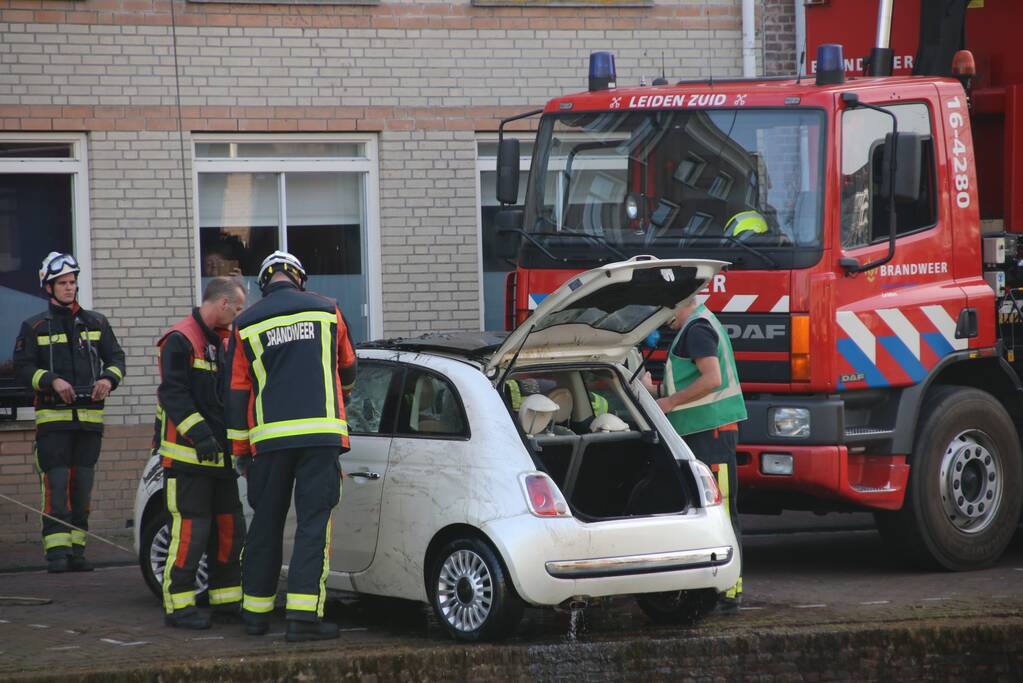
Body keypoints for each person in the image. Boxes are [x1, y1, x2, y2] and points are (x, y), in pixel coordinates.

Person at [226, 251, 357, 643]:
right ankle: (303, 618)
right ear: (299, 278)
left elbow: (236, 391)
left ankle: (255, 615)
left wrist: (240, 449)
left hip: (267, 442)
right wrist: (340, 395)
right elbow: (348, 367)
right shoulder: (327, 310)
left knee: (265, 523)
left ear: (264, 283)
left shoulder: (245, 323)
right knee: (312, 524)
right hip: (320, 437)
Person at [13, 252, 126, 572]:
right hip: (53, 422)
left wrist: (108, 379)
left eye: (73, 282)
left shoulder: (96, 322)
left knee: (82, 486)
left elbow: (117, 359)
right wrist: (51, 381)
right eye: (62, 283)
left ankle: (77, 551)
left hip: (90, 422)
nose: (69, 288)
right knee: (57, 486)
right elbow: (23, 370)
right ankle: (57, 554)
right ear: (48, 287)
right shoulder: (34, 326)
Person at [643, 297, 747, 611]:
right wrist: (657, 391)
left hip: (711, 433)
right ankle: (718, 587)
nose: (663, 322)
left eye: (665, 313)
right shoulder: (697, 326)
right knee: (712, 510)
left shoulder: (696, 329)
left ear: (679, 304)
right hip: (703, 433)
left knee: (722, 511)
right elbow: (690, 382)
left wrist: (670, 403)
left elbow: (712, 379)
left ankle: (729, 591)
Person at [155, 277, 247, 630]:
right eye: (237, 309)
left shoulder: (225, 342)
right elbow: (173, 395)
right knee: (190, 534)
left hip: (220, 461)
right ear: (222, 304)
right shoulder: (180, 340)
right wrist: (202, 436)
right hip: (187, 461)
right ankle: (178, 606)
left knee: (229, 530)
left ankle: (226, 601)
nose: (239, 316)